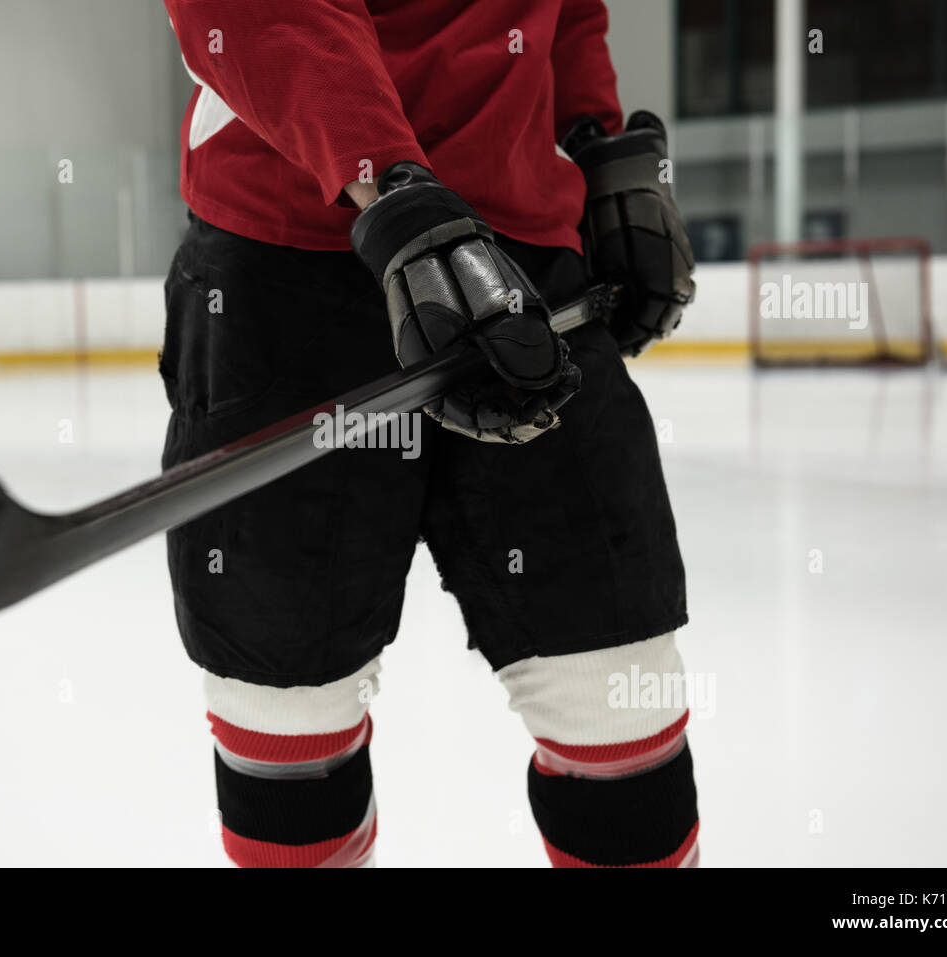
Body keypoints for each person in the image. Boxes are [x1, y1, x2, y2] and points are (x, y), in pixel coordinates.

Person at [159, 0, 698, 867]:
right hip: (288, 257)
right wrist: (390, 185)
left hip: (523, 260)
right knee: (286, 706)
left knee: (616, 684)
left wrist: (591, 137)